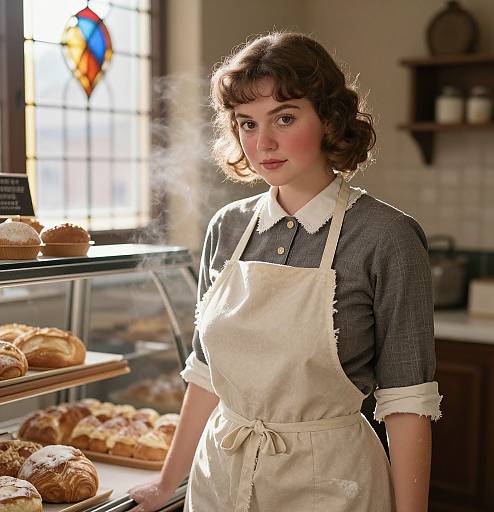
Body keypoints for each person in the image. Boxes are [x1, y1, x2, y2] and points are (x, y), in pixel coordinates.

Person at [129, 31, 442, 512]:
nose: (263, 142)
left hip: (331, 486)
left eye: (285, 118)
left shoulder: (387, 237)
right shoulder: (228, 227)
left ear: (330, 119)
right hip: (219, 479)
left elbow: (407, 402)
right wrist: (168, 482)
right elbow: (206, 375)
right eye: (246, 124)